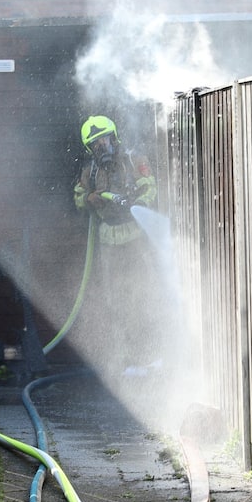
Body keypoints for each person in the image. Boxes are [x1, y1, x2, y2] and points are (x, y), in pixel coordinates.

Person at [72, 114, 159, 374]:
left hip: (135, 236)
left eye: (104, 139)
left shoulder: (134, 161)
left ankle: (151, 357)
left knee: (143, 295)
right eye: (95, 144)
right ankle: (124, 361)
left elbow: (151, 187)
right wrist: (90, 199)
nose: (102, 147)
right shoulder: (91, 171)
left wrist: (139, 205)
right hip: (109, 239)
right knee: (115, 300)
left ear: (114, 137)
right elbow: (77, 198)